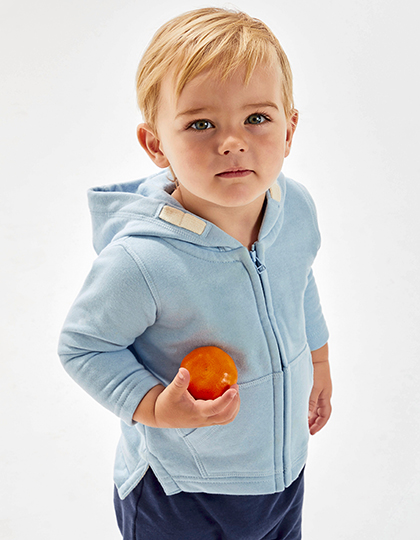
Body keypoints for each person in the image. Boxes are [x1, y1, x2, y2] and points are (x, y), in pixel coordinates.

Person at [58, 7, 332, 539]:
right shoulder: (142, 260)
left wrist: (318, 362)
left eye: (257, 118)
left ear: (290, 129)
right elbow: (83, 347)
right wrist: (154, 407)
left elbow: (299, 282)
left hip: (280, 475)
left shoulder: (294, 207)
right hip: (180, 491)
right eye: (201, 124)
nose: (231, 141)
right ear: (156, 144)